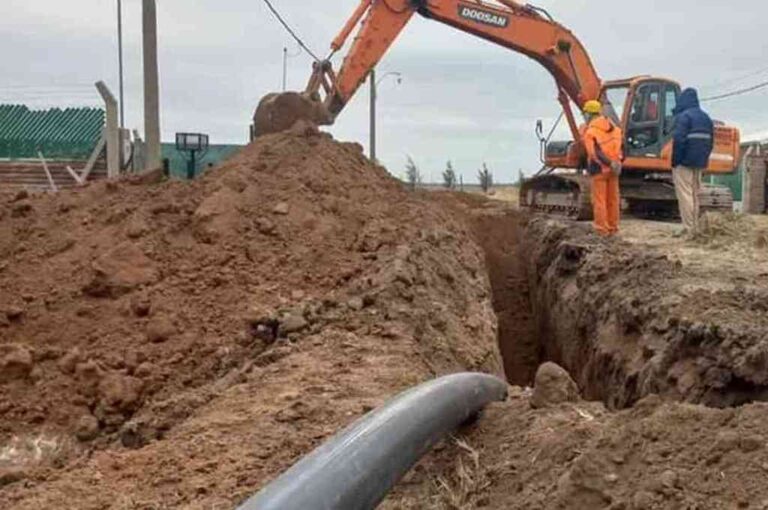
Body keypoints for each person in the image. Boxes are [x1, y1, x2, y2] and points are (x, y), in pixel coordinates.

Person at [672, 87, 714, 235]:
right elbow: (711, 142)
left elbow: (678, 140)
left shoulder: (684, 117)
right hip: (700, 162)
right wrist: (704, 159)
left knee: (685, 194)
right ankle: (695, 226)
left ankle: (688, 227)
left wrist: (676, 160)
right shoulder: (706, 118)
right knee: (695, 194)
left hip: (684, 161)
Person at [582, 100, 624, 236]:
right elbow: (623, 148)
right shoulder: (616, 130)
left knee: (599, 200)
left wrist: (608, 163)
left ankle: (601, 230)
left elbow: (594, 153)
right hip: (614, 170)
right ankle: (613, 228)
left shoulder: (591, 132)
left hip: (599, 169)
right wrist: (617, 163)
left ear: (588, 114)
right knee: (613, 200)